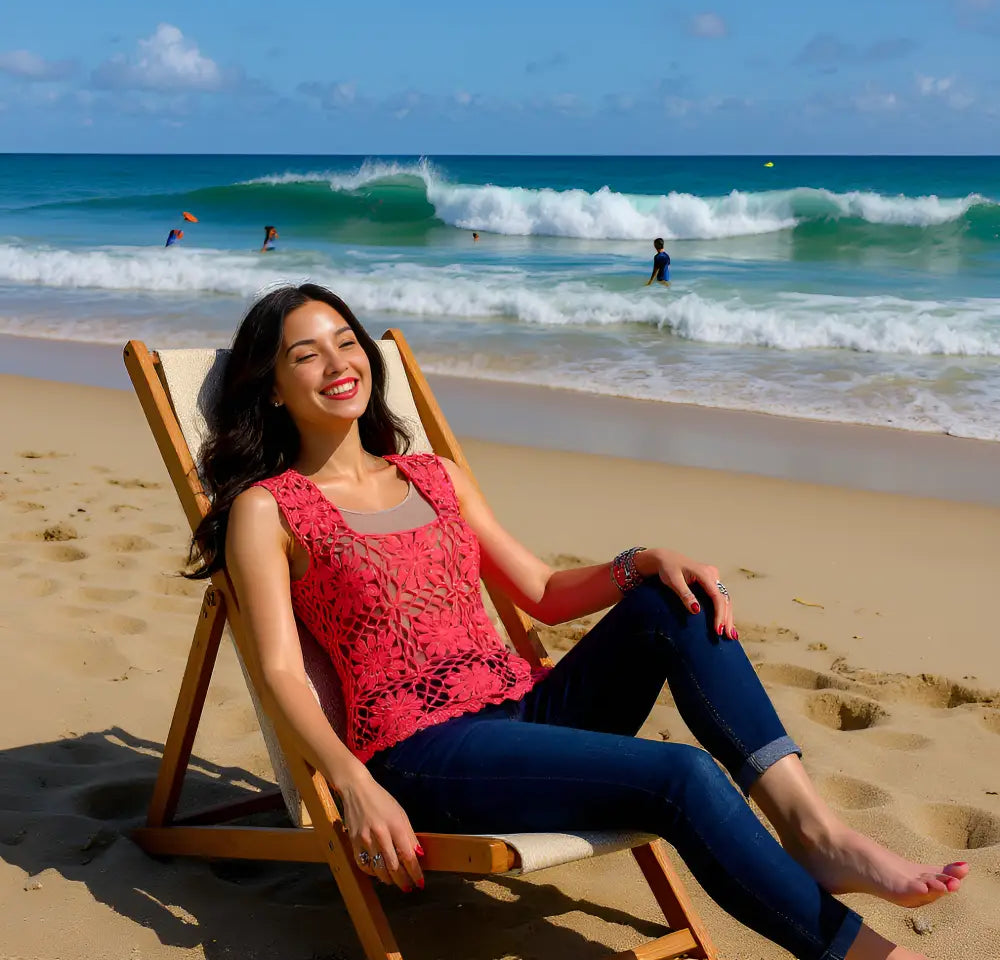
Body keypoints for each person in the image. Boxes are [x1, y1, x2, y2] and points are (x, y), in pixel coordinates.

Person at [187, 282, 970, 960]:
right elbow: (281, 671)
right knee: (682, 775)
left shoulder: (433, 476)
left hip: (522, 713)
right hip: (422, 753)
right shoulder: (271, 509)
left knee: (673, 601)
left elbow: (542, 591)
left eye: (346, 342)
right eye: (306, 355)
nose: (337, 364)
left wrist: (644, 560)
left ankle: (817, 835)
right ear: (272, 389)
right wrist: (353, 784)